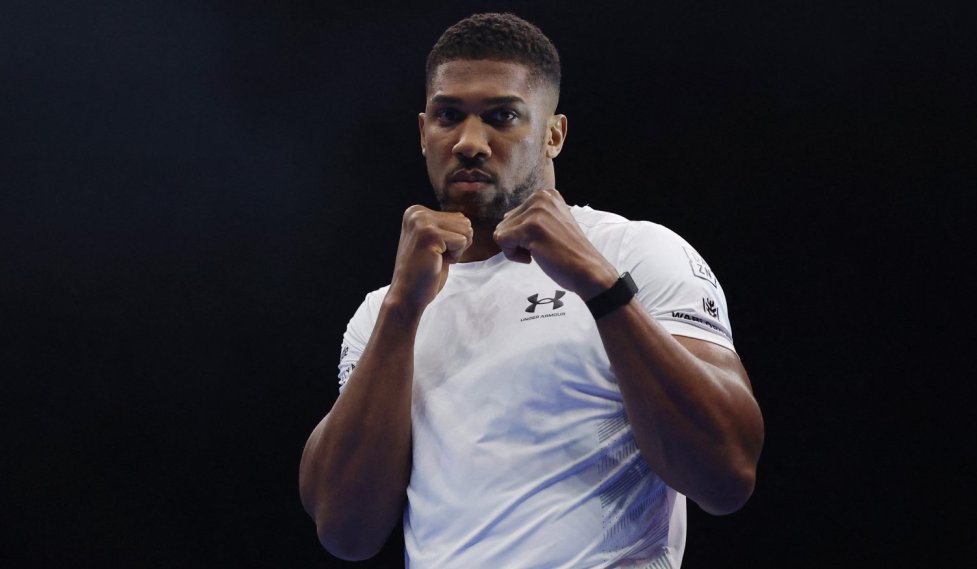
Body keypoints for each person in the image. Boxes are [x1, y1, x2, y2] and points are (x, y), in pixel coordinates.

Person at [299, 13, 764, 568]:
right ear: (424, 132)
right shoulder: (385, 309)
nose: (470, 142)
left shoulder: (635, 254)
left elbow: (726, 474)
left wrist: (601, 286)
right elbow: (345, 530)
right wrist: (401, 312)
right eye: (449, 116)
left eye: (502, 117)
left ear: (553, 134)